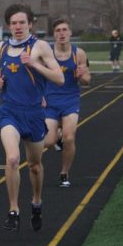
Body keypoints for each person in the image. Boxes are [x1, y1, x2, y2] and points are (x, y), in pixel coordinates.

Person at [0, 3, 63, 232]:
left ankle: (36, 202)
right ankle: (13, 210)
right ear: (8, 25)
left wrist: (33, 64)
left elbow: (59, 78)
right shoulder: (2, 47)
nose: (18, 27)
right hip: (9, 111)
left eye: (22, 22)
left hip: (33, 114)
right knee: (12, 159)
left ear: (30, 24)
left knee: (35, 166)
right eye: (13, 23)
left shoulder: (39, 47)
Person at [44, 17, 91, 188]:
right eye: (58, 31)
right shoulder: (47, 53)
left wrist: (81, 76)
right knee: (48, 142)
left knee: (69, 137)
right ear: (53, 34)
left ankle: (64, 173)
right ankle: (56, 139)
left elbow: (87, 80)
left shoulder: (79, 53)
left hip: (70, 100)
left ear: (70, 32)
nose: (61, 33)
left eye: (64, 30)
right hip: (50, 101)